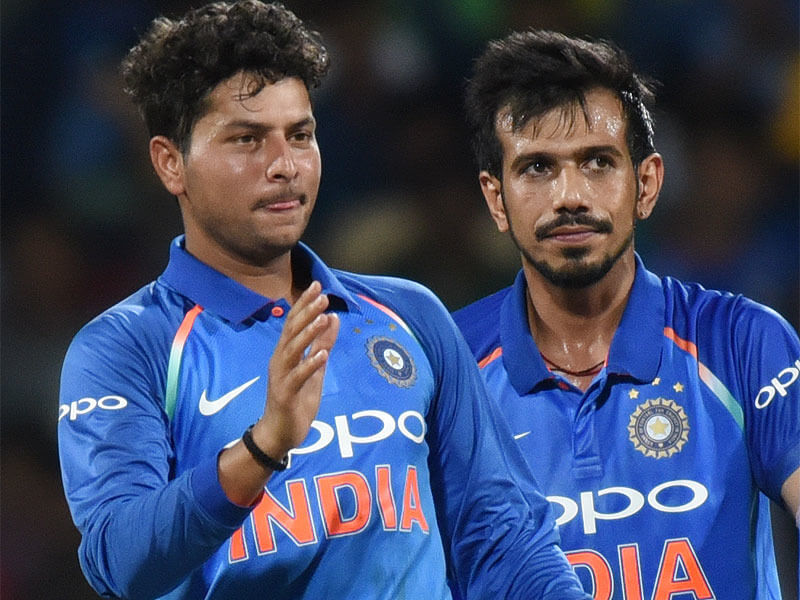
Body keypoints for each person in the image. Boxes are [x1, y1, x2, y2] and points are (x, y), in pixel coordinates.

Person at [56, 3, 590, 599]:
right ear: (170, 162)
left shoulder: (410, 315)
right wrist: (262, 448)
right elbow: (118, 561)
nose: (284, 165)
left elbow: (504, 536)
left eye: (301, 136)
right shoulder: (127, 347)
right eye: (247, 139)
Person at [453, 28, 800, 600]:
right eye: (537, 168)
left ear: (646, 184)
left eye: (596, 162)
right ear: (496, 199)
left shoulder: (742, 343)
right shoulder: (451, 365)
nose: (569, 195)